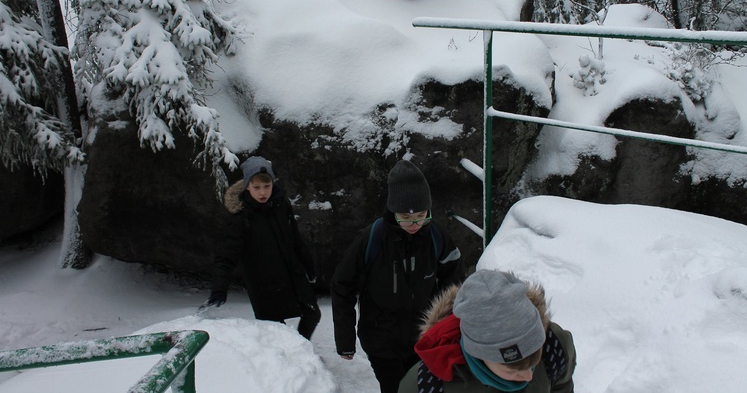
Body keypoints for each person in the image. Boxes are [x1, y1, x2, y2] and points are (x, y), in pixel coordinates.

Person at [331, 159, 466, 393]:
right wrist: (345, 338)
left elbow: (454, 284)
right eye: (405, 216)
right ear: (393, 211)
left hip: (423, 339)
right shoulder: (371, 240)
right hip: (381, 341)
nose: (414, 224)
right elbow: (342, 285)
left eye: (421, 215)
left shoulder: (437, 237)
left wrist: (447, 331)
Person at [199, 156, 321, 340]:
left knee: (312, 314)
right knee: (275, 331)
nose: (262, 192)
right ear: (247, 186)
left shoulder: (281, 205)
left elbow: (295, 239)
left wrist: (309, 267)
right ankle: (290, 359)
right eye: (256, 187)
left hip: (291, 274)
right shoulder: (241, 218)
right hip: (264, 285)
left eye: (267, 186)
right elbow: (226, 257)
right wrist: (219, 290)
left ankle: (300, 349)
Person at [398, 269, 576, 393]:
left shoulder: (555, 346)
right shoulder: (423, 386)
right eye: (511, 370)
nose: (528, 376)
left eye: (534, 362)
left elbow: (562, 386)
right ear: (479, 355)